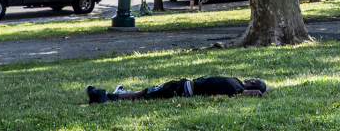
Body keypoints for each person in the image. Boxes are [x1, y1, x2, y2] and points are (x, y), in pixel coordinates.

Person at [85, 76, 267, 104]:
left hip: (179, 89)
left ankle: (103, 96)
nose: (250, 79)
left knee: (145, 93)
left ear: (251, 82)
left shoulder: (237, 87)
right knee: (147, 91)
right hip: (182, 85)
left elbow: (258, 93)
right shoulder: (236, 83)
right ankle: (119, 93)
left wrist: (259, 90)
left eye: (254, 80)